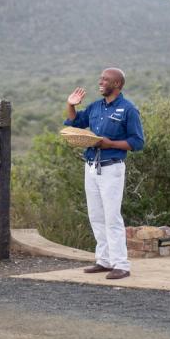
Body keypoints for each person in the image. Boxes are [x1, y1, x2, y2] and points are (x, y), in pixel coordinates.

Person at [65, 68, 144, 280]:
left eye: (105, 80)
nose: (101, 82)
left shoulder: (128, 109)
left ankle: (121, 264)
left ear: (117, 84)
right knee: (96, 216)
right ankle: (104, 260)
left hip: (112, 167)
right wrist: (71, 105)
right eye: (100, 78)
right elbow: (74, 123)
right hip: (91, 166)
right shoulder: (96, 107)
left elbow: (137, 142)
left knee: (112, 217)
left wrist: (110, 144)